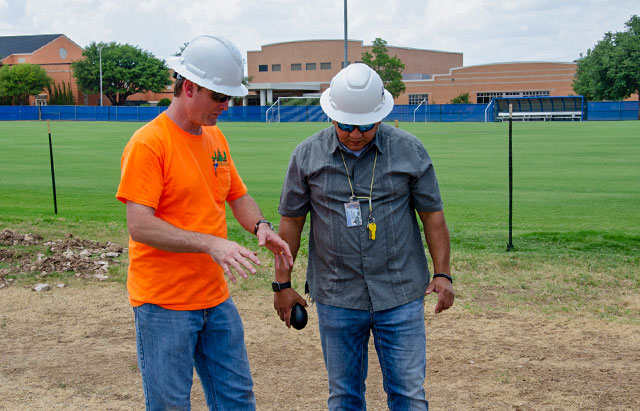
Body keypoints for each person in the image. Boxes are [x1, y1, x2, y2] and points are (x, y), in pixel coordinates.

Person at [116, 35, 293, 411]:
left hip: (215, 298)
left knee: (236, 400)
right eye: (219, 97)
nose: (226, 106)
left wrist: (261, 226)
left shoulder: (214, 136)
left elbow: (237, 195)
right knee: (170, 405)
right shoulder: (149, 143)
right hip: (163, 303)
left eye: (229, 97)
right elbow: (140, 225)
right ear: (190, 87)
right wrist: (211, 244)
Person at [273, 63, 454, 410]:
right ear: (331, 115)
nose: (355, 134)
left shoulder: (410, 151)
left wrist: (443, 273)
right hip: (337, 295)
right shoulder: (306, 156)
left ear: (381, 116)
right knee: (344, 399)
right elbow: (290, 225)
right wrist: (282, 285)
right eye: (345, 125)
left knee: (409, 397)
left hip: (399, 292)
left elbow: (433, 216)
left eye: (366, 126)